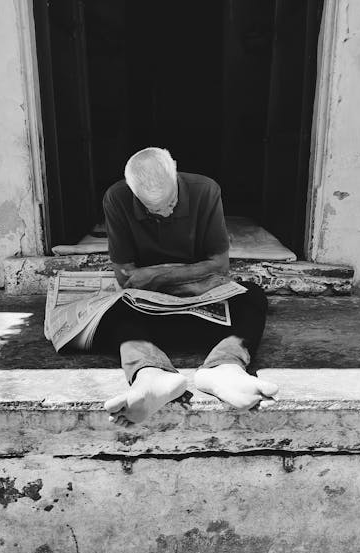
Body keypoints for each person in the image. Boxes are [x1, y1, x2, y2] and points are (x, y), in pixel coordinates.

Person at [96, 147, 278, 426]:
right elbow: (126, 278)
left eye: (170, 203)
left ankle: (223, 368)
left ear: (176, 174)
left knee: (252, 296)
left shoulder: (206, 190)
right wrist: (179, 275)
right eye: (153, 209)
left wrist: (156, 273)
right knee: (115, 309)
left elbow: (219, 264)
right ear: (135, 195)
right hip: (150, 317)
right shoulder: (116, 198)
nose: (165, 214)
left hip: (205, 312)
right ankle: (151, 375)